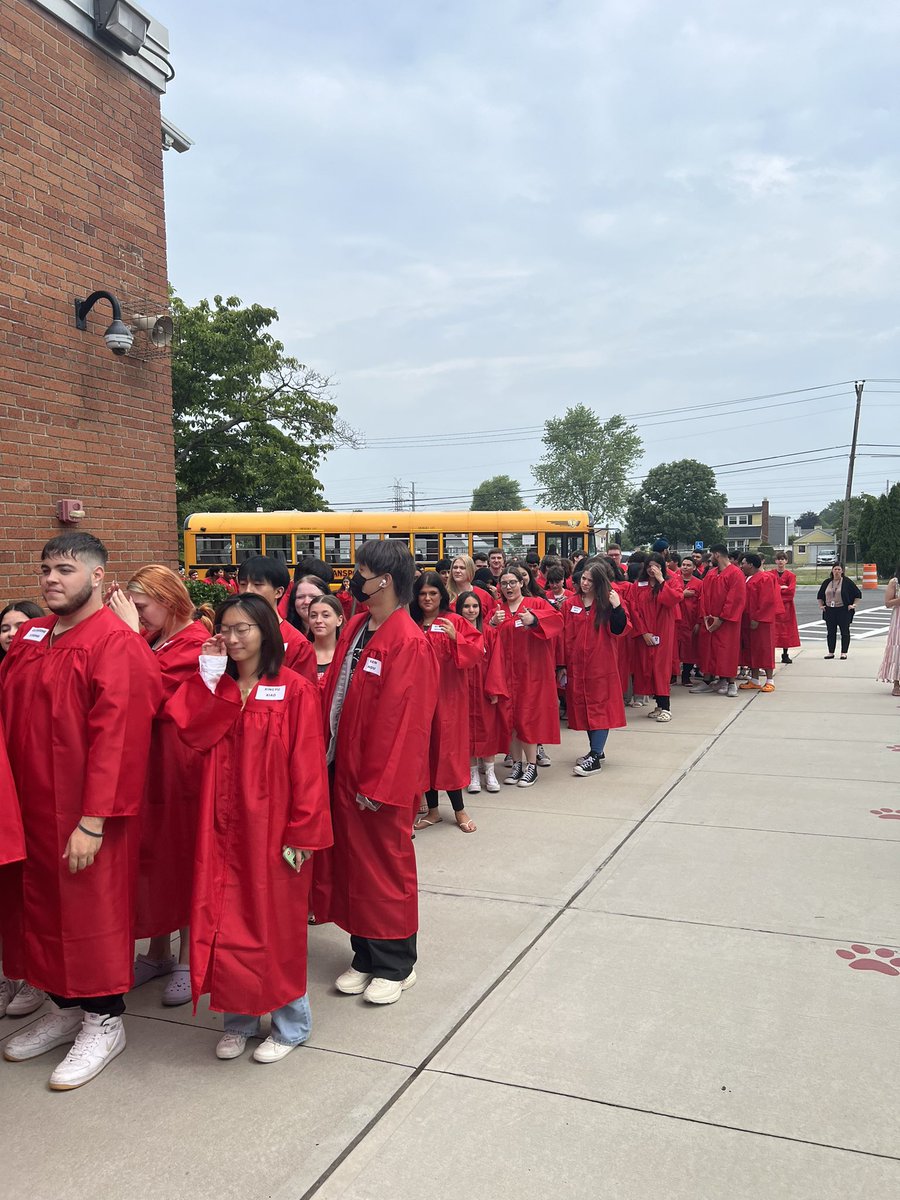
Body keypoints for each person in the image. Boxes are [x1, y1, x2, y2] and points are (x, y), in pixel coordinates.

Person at [0, 533, 161, 1090]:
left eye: (65, 569)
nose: (51, 578)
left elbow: (120, 738)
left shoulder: (116, 643)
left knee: (90, 917)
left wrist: (93, 820)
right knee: (41, 914)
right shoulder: (33, 634)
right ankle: (65, 1007)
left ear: (97, 577)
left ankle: (104, 1020)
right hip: (30, 810)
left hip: (85, 815)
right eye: (45, 568)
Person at [167, 594, 332, 1061]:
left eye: (245, 629)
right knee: (223, 919)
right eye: (227, 628)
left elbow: (308, 768)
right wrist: (207, 676)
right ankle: (238, 1017)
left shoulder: (295, 690)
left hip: (273, 828)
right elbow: (191, 734)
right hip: (219, 827)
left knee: (273, 925)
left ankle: (290, 1023)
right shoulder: (217, 686)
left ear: (265, 632)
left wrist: (303, 832)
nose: (235, 638)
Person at [313, 540, 438, 1005]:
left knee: (385, 867)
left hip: (378, 780)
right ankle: (364, 954)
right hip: (343, 768)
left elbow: (406, 724)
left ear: (383, 580)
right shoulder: (361, 627)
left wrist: (382, 785)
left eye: (360, 571)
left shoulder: (407, 641)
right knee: (353, 866)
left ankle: (395, 963)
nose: (353, 579)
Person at [106, 565, 213, 1007]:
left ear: (167, 603)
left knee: (183, 857)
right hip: (153, 766)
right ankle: (158, 950)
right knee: (155, 859)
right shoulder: (155, 640)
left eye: (143, 607)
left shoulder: (194, 645)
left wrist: (130, 637)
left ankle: (189, 959)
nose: (139, 616)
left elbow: (146, 690)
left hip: (182, 768)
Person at [410, 573, 482, 833]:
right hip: (418, 700)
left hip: (448, 697)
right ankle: (432, 811)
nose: (427, 598)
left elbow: (475, 651)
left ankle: (459, 810)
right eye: (422, 594)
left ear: (442, 595)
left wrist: (456, 638)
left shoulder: (454, 621)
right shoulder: (411, 623)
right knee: (425, 753)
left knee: (448, 753)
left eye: (432, 593)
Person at [488, 564, 562, 786]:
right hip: (505, 674)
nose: (508, 587)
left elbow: (557, 621)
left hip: (531, 673)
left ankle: (532, 766)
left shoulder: (535, 605)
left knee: (527, 718)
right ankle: (517, 764)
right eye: (504, 583)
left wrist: (535, 620)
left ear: (522, 583)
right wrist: (492, 624)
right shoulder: (497, 610)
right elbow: (483, 638)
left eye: (513, 582)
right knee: (509, 719)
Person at [559, 561, 629, 775]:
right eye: (583, 578)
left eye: (590, 580)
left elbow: (619, 629)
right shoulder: (570, 603)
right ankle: (595, 750)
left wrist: (617, 607)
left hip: (601, 665)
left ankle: (595, 756)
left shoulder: (608, 603)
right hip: (577, 666)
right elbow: (562, 636)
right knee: (585, 707)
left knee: (600, 708)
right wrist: (561, 665)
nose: (585, 582)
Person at [456, 592, 509, 794]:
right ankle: (473, 774)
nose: (471, 611)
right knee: (467, 732)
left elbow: (496, 661)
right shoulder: (456, 633)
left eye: (475, 606)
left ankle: (490, 771)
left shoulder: (489, 633)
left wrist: (494, 689)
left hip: (484, 689)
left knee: (487, 730)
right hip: (462, 690)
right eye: (466, 607)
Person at [238, 555, 317, 681]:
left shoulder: (297, 644)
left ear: (278, 592)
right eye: (243, 584)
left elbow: (304, 693)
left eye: (257, 584)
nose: (247, 590)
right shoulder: (231, 634)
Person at [628, 553, 684, 723]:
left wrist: (661, 580)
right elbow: (634, 610)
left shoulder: (671, 582)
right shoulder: (638, 585)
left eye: (656, 566)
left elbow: (672, 600)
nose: (652, 569)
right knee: (647, 668)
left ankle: (666, 707)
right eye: (649, 566)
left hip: (663, 631)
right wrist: (643, 632)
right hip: (645, 634)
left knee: (661, 668)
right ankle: (658, 705)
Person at [694, 543, 746, 697]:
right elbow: (704, 596)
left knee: (727, 650)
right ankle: (707, 680)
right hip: (710, 620)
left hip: (727, 622)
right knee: (709, 650)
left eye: (711, 556)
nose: (710, 559)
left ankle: (731, 683)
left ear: (717, 555)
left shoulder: (735, 574)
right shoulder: (711, 573)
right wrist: (705, 615)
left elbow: (735, 599)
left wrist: (722, 618)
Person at [738, 553, 783, 692]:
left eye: (743, 563)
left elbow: (766, 601)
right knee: (752, 649)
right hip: (747, 619)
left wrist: (757, 618)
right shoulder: (747, 578)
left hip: (761, 621)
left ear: (751, 564)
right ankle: (755, 679)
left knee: (765, 648)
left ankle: (770, 680)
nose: (741, 566)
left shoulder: (764, 578)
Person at [817, 564, 861, 659]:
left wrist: (853, 605)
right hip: (830, 610)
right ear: (832, 571)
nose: (837, 571)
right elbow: (820, 595)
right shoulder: (827, 582)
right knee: (831, 632)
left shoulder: (847, 582)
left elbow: (858, 594)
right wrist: (821, 605)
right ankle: (831, 652)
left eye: (839, 569)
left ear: (842, 571)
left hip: (843, 610)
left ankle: (843, 652)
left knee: (844, 632)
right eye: (835, 569)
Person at [675, 557, 702, 686]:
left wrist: (698, 622)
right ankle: (673, 675)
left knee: (689, 649)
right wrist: (682, 594)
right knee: (674, 649)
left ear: (694, 568)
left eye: (688, 565)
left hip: (690, 621)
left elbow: (701, 603)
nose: (685, 567)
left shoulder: (699, 583)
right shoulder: (674, 581)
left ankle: (686, 675)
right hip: (676, 620)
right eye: (683, 565)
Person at [308, 594, 344, 683]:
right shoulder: (301, 653)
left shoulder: (346, 654)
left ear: (339, 620)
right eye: (313, 616)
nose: (318, 620)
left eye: (326, 615)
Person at [876, 566, 900, 695]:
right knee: (898, 650)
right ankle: (897, 683)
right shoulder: (894, 582)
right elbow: (888, 603)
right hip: (898, 621)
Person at [447, 554, 495, 619]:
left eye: (462, 568)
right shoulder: (444, 595)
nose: (457, 571)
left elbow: (492, 619)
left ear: (470, 570)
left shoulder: (484, 595)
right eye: (455, 567)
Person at [773, 553, 800, 664]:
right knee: (772, 631)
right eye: (778, 559)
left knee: (786, 631)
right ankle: (771, 655)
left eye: (783, 559)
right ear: (775, 561)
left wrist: (777, 590)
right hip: (773, 607)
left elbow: (790, 592)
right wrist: (782, 588)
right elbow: (769, 590)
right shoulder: (770, 574)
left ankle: (785, 654)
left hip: (787, 608)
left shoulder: (791, 576)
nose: (780, 561)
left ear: (786, 561)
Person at [285, 574, 331, 638]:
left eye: (313, 597)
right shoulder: (283, 634)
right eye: (300, 597)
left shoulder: (342, 637)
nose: (306, 602)